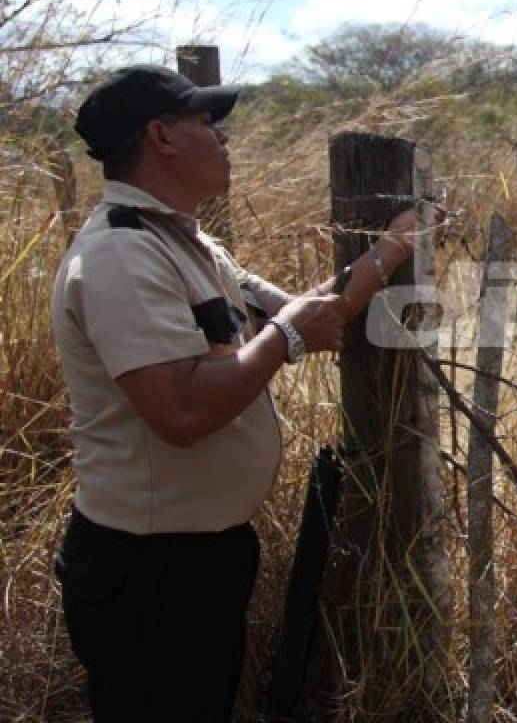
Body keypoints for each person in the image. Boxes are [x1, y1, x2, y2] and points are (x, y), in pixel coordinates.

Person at [50, 64, 420, 722]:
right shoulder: (120, 257)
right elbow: (183, 411)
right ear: (161, 137)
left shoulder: (187, 243)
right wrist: (283, 338)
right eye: (207, 123)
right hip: (145, 572)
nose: (224, 138)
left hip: (199, 559)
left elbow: (315, 314)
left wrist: (394, 248)